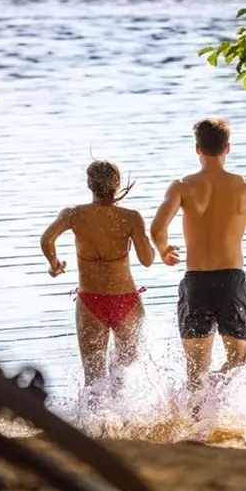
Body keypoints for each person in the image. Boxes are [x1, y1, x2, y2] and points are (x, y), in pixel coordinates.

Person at [150, 116, 246, 392]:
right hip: (231, 282)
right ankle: (214, 393)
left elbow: (157, 228)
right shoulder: (245, 187)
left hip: (196, 282)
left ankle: (195, 420)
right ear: (228, 149)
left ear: (197, 148)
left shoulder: (181, 186)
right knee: (241, 363)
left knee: (195, 371)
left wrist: (163, 251)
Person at [40, 160, 156, 386]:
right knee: (124, 377)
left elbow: (47, 239)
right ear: (118, 185)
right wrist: (145, 238)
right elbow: (147, 260)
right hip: (126, 301)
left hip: (90, 303)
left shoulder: (73, 215)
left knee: (93, 379)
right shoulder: (130, 217)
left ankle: (92, 422)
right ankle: (124, 419)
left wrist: (55, 264)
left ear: (89, 184)